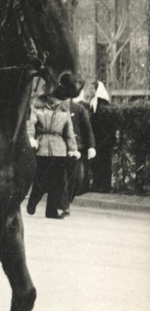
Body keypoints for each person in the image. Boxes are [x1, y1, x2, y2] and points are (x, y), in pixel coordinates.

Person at [26, 86, 81, 219]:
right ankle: (33, 200)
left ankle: (51, 211)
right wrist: (30, 139)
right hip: (42, 146)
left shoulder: (64, 108)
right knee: (40, 179)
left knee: (57, 182)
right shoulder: (37, 105)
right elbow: (30, 124)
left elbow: (69, 131)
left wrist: (73, 148)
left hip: (59, 148)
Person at [63, 92, 96, 215]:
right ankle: (64, 205)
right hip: (60, 148)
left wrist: (91, 146)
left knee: (78, 178)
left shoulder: (79, 109)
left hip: (76, 149)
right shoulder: (57, 108)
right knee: (62, 178)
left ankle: (67, 201)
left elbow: (88, 129)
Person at [88, 81, 116, 193]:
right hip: (101, 139)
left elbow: (99, 122)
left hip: (102, 139)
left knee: (102, 163)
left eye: (92, 89)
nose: (90, 91)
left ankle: (103, 186)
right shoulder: (97, 103)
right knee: (100, 163)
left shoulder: (101, 104)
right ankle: (100, 185)